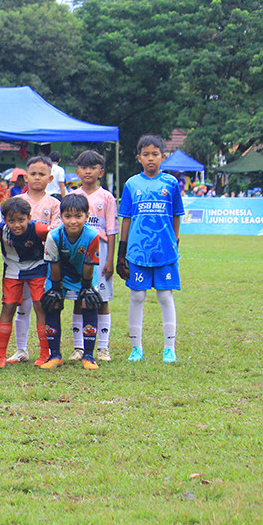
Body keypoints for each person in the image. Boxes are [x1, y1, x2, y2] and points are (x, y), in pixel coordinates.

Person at [117, 134, 183, 363]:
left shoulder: (171, 183)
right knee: (137, 296)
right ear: (139, 158)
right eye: (146, 154)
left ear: (163, 157)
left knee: (165, 296)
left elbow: (176, 215)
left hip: (164, 251)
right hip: (138, 251)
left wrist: (175, 239)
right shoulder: (132, 184)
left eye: (155, 154)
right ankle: (136, 348)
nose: (151, 158)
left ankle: (169, 348)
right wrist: (121, 251)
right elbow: (126, 218)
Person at [38, 193, 103, 370]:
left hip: (85, 275)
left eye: (78, 216)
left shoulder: (92, 235)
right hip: (58, 274)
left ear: (87, 216)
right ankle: (55, 355)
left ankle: (88, 355)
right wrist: (56, 289)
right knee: (52, 304)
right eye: (68, 216)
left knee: (89, 302)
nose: (73, 221)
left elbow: (90, 264)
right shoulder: (54, 236)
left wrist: (86, 288)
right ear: (61, 217)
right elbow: (55, 263)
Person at [12, 156, 62, 362]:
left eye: (42, 174)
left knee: (41, 304)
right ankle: (21, 349)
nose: (37, 178)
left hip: (44, 262)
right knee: (21, 305)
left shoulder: (55, 204)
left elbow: (55, 231)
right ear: (26, 176)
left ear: (50, 178)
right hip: (20, 261)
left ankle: (47, 350)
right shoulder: (18, 203)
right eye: (33, 174)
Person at [70, 150, 118, 362]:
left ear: (101, 171)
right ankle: (78, 347)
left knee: (102, 299)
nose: (88, 171)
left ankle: (103, 348)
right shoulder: (73, 197)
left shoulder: (107, 197)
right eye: (84, 167)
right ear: (78, 171)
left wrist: (110, 261)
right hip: (78, 253)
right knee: (78, 299)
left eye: (93, 167)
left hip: (102, 252)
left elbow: (111, 230)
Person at [0, 197, 50, 368]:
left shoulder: (39, 228)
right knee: (8, 307)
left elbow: (55, 235)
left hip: (37, 268)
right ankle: (1, 356)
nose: (16, 225)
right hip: (13, 270)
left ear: (29, 217)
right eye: (11, 220)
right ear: (5, 220)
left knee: (40, 306)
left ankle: (45, 353)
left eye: (21, 220)